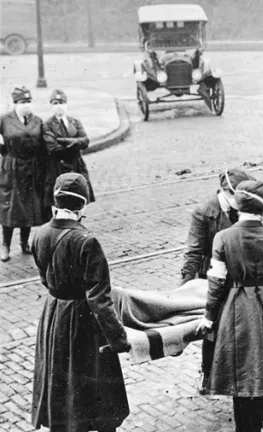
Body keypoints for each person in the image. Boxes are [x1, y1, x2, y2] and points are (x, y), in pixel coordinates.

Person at [30, 173, 131, 432]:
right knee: (94, 392)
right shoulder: (87, 241)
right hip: (84, 324)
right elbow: (99, 298)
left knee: (61, 386)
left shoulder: (39, 235)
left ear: (55, 200)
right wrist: (119, 339)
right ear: (82, 205)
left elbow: (45, 280)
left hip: (53, 318)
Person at [195, 179, 263, 432]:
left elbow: (216, 282)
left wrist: (209, 316)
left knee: (240, 369)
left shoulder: (223, 238)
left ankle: (243, 428)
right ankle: (257, 426)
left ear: (237, 204)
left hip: (237, 308)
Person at [181, 168, 255, 392]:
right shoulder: (204, 212)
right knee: (211, 327)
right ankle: (207, 373)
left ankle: (236, 371)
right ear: (226, 193)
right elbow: (193, 252)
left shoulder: (246, 207)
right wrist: (184, 288)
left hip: (240, 276)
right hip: (212, 275)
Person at [0, 86, 46, 262]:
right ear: (15, 103)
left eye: (28, 101)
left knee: (28, 207)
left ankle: (24, 242)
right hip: (12, 169)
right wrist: (4, 151)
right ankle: (5, 245)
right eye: (22, 102)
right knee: (10, 207)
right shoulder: (5, 119)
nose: (26, 105)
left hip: (31, 169)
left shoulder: (37, 121)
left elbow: (42, 145)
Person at [42, 89, 94, 215]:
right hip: (58, 167)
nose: (58, 106)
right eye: (55, 103)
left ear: (66, 104)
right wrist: (75, 143)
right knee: (58, 203)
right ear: (51, 106)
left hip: (76, 165)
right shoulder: (47, 125)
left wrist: (62, 140)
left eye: (61, 102)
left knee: (79, 198)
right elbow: (53, 149)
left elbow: (85, 141)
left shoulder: (74, 122)